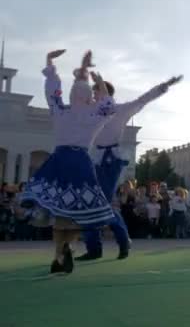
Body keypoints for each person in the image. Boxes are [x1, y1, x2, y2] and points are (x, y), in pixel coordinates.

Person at [20, 50, 116, 274]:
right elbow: (108, 104)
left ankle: (58, 255)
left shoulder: (60, 111)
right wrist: (99, 81)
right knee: (74, 214)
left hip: (59, 161)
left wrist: (50, 63)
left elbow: (52, 90)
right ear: (88, 98)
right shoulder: (94, 116)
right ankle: (66, 249)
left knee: (60, 215)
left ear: (72, 95)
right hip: (80, 163)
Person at [76, 73, 181, 260]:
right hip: (95, 159)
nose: (94, 94)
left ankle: (123, 241)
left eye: (96, 90)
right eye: (93, 91)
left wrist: (165, 85)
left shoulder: (122, 110)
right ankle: (94, 248)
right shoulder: (91, 110)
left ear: (106, 93)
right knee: (88, 202)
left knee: (103, 203)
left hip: (111, 159)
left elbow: (144, 99)